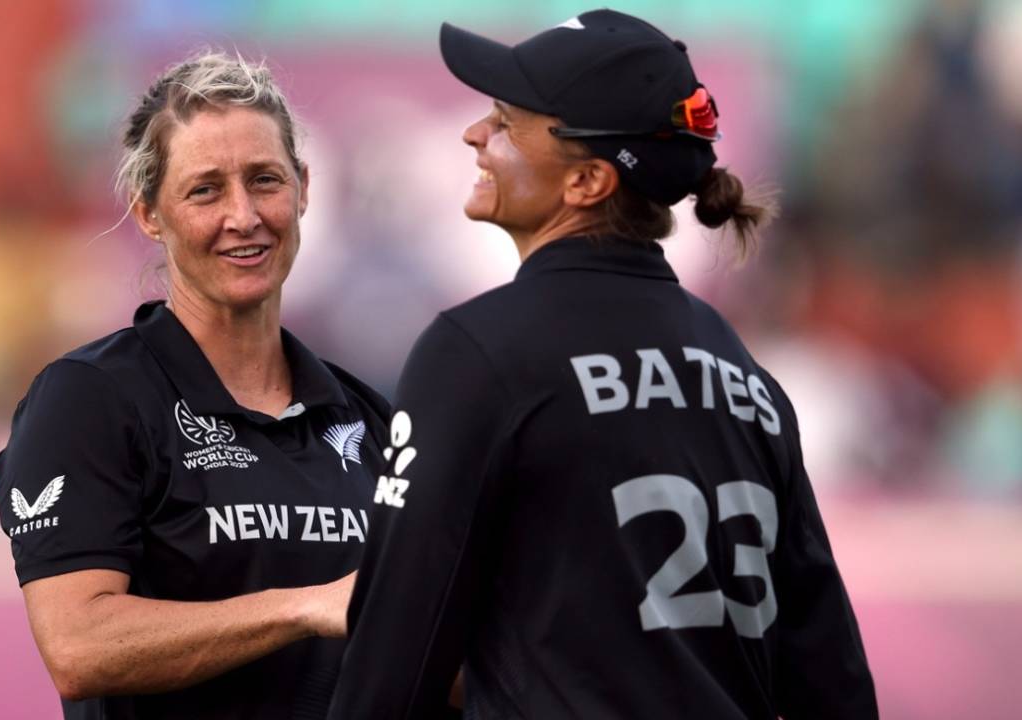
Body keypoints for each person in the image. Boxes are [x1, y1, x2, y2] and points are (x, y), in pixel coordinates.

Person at [329, 10, 877, 719]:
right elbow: (830, 675)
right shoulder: (747, 377)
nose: (474, 134)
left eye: (504, 121)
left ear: (587, 182)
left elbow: (395, 654)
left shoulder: (478, 353)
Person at [0, 49, 390, 720]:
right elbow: (79, 646)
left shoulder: (368, 416)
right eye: (206, 189)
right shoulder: (90, 399)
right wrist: (304, 607)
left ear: (304, 188)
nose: (244, 216)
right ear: (150, 214)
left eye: (265, 180)